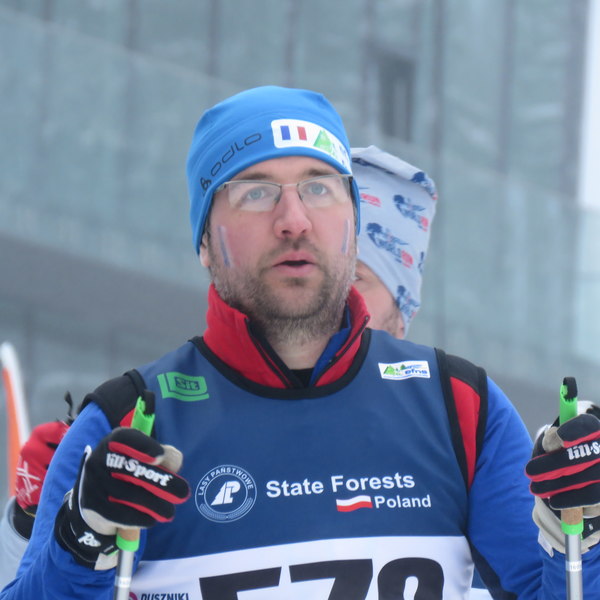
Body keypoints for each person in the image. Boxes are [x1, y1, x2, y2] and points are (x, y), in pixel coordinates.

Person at [2, 85, 600, 599]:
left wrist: (589, 528)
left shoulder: (459, 405)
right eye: (255, 192)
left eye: (319, 188)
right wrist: (81, 538)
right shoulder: (126, 424)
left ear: (353, 224)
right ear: (205, 241)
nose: (294, 219)